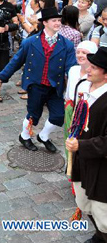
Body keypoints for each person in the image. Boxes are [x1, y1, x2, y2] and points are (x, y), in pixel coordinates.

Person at [0, 7, 77, 152]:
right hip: (36, 84)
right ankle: (25, 136)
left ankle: (43, 136)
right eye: (54, 21)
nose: (58, 23)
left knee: (59, 116)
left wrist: (78, 86)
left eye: (59, 20)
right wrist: (3, 75)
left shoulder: (67, 45)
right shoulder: (30, 42)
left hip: (55, 86)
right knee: (34, 115)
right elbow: (17, 60)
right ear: (45, 22)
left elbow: (72, 68)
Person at [66, 46, 107, 243]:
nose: (88, 69)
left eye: (94, 67)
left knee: (103, 212)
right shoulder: (85, 87)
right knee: (84, 203)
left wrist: (81, 146)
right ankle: (99, 236)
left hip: (102, 167)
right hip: (83, 161)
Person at [63, 41, 97, 157]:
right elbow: (68, 92)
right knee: (69, 140)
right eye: (78, 52)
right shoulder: (73, 70)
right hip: (71, 111)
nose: (80, 55)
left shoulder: (95, 76)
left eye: (84, 53)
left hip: (85, 115)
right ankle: (70, 167)